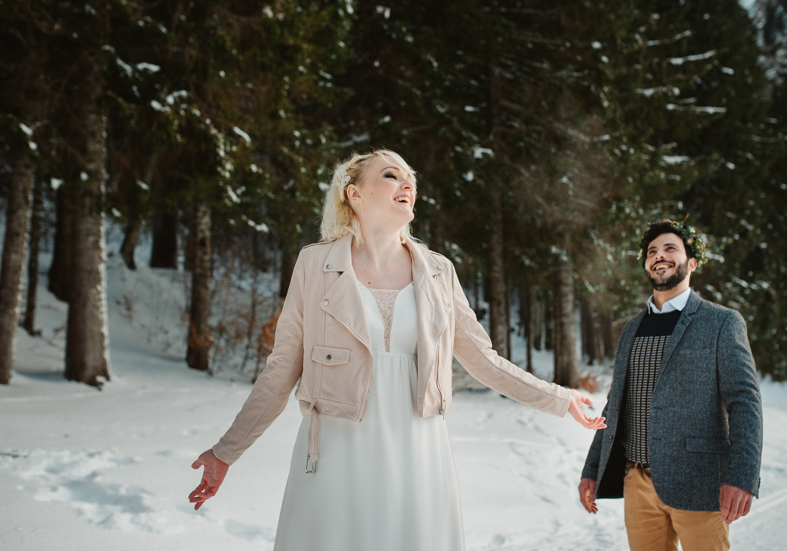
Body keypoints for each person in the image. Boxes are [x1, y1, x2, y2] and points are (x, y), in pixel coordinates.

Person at [189, 149, 605, 551]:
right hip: (337, 451)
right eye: (391, 175)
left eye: (411, 179)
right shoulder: (315, 266)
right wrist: (227, 452)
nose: (407, 183)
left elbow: (484, 360)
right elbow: (281, 370)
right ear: (354, 193)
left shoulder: (439, 271)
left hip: (417, 451)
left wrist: (560, 398)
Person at [577, 219, 762, 551]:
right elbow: (615, 406)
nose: (659, 255)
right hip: (636, 484)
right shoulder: (631, 329)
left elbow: (744, 402)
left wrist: (742, 477)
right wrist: (592, 468)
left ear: (691, 262)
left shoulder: (721, 322)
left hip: (699, 481)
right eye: (652, 251)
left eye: (669, 248)